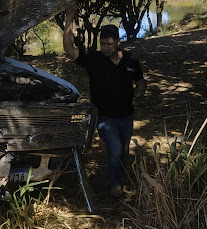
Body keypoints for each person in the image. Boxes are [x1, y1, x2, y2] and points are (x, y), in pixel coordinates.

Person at [63, 8, 147, 198]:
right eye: (103, 44)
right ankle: (116, 186)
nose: (105, 48)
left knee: (124, 150)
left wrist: (139, 92)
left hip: (126, 115)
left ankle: (118, 176)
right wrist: (69, 18)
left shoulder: (131, 60)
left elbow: (141, 81)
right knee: (115, 148)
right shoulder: (94, 60)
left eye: (109, 44)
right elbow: (69, 50)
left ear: (118, 43)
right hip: (105, 117)